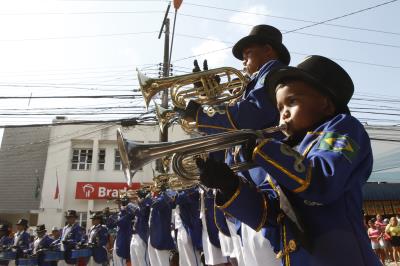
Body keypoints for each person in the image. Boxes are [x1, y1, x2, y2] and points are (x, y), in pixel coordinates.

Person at [196, 55, 382, 265]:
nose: (283, 114)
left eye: (291, 102)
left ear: (327, 105)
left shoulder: (343, 127)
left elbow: (322, 180)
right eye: (279, 108)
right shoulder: (285, 152)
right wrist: (230, 187)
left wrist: (263, 148)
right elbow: (269, 215)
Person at [181, 24, 290, 266]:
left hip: (269, 187)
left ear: (269, 51)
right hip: (251, 196)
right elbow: (233, 132)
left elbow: (249, 115)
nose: (242, 62)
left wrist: (202, 115)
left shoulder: (274, 74)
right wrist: (209, 100)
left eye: (247, 54)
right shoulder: (252, 85)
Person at [147, 185, 176, 266]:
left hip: (161, 236)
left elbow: (156, 204)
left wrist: (148, 197)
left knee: (163, 263)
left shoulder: (165, 197)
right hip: (153, 234)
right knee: (154, 262)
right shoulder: (160, 197)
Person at [175, 186, 203, 266]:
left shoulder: (193, 190)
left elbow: (180, 199)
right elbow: (172, 204)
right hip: (180, 228)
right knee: (183, 261)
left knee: (193, 260)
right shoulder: (181, 191)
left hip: (189, 227)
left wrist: (179, 189)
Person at [109, 195, 133, 266]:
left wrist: (113, 218)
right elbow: (110, 226)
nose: (118, 205)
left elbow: (121, 222)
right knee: (116, 261)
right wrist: (108, 218)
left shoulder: (128, 213)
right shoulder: (120, 213)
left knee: (121, 262)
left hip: (123, 239)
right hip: (118, 238)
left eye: (120, 203)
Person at [130, 189, 152, 266]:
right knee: (135, 261)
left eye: (139, 196)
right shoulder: (139, 206)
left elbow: (143, 213)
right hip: (134, 235)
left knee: (143, 260)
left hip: (141, 234)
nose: (137, 198)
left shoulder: (146, 204)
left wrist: (140, 203)